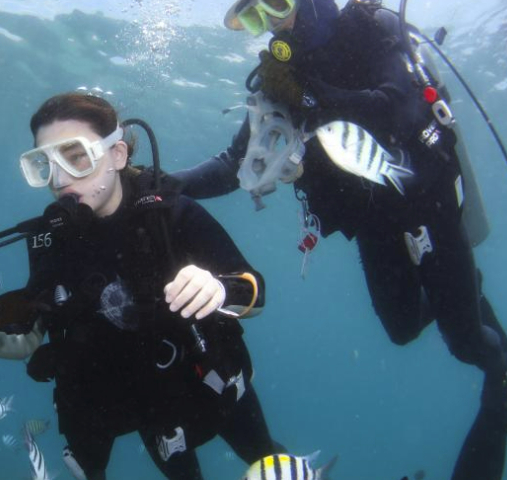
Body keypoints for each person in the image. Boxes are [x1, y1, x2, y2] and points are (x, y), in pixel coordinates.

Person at [171, 1, 507, 479]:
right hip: (372, 223)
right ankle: (465, 286)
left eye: (277, 5)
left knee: (466, 342)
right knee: (402, 329)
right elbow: (235, 163)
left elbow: (400, 105)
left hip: (425, 204)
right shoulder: (279, 77)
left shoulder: (372, 28)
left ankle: (501, 369)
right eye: (253, 19)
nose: (272, 24)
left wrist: (315, 96)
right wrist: (161, 183)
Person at [0, 92, 283, 480]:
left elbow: (254, 290)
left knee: (273, 466)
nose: (59, 179)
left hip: (216, 385)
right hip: (153, 413)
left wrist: (219, 288)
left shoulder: (170, 213)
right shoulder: (52, 242)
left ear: (118, 155)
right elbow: (25, 340)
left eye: (76, 156)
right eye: (45, 163)